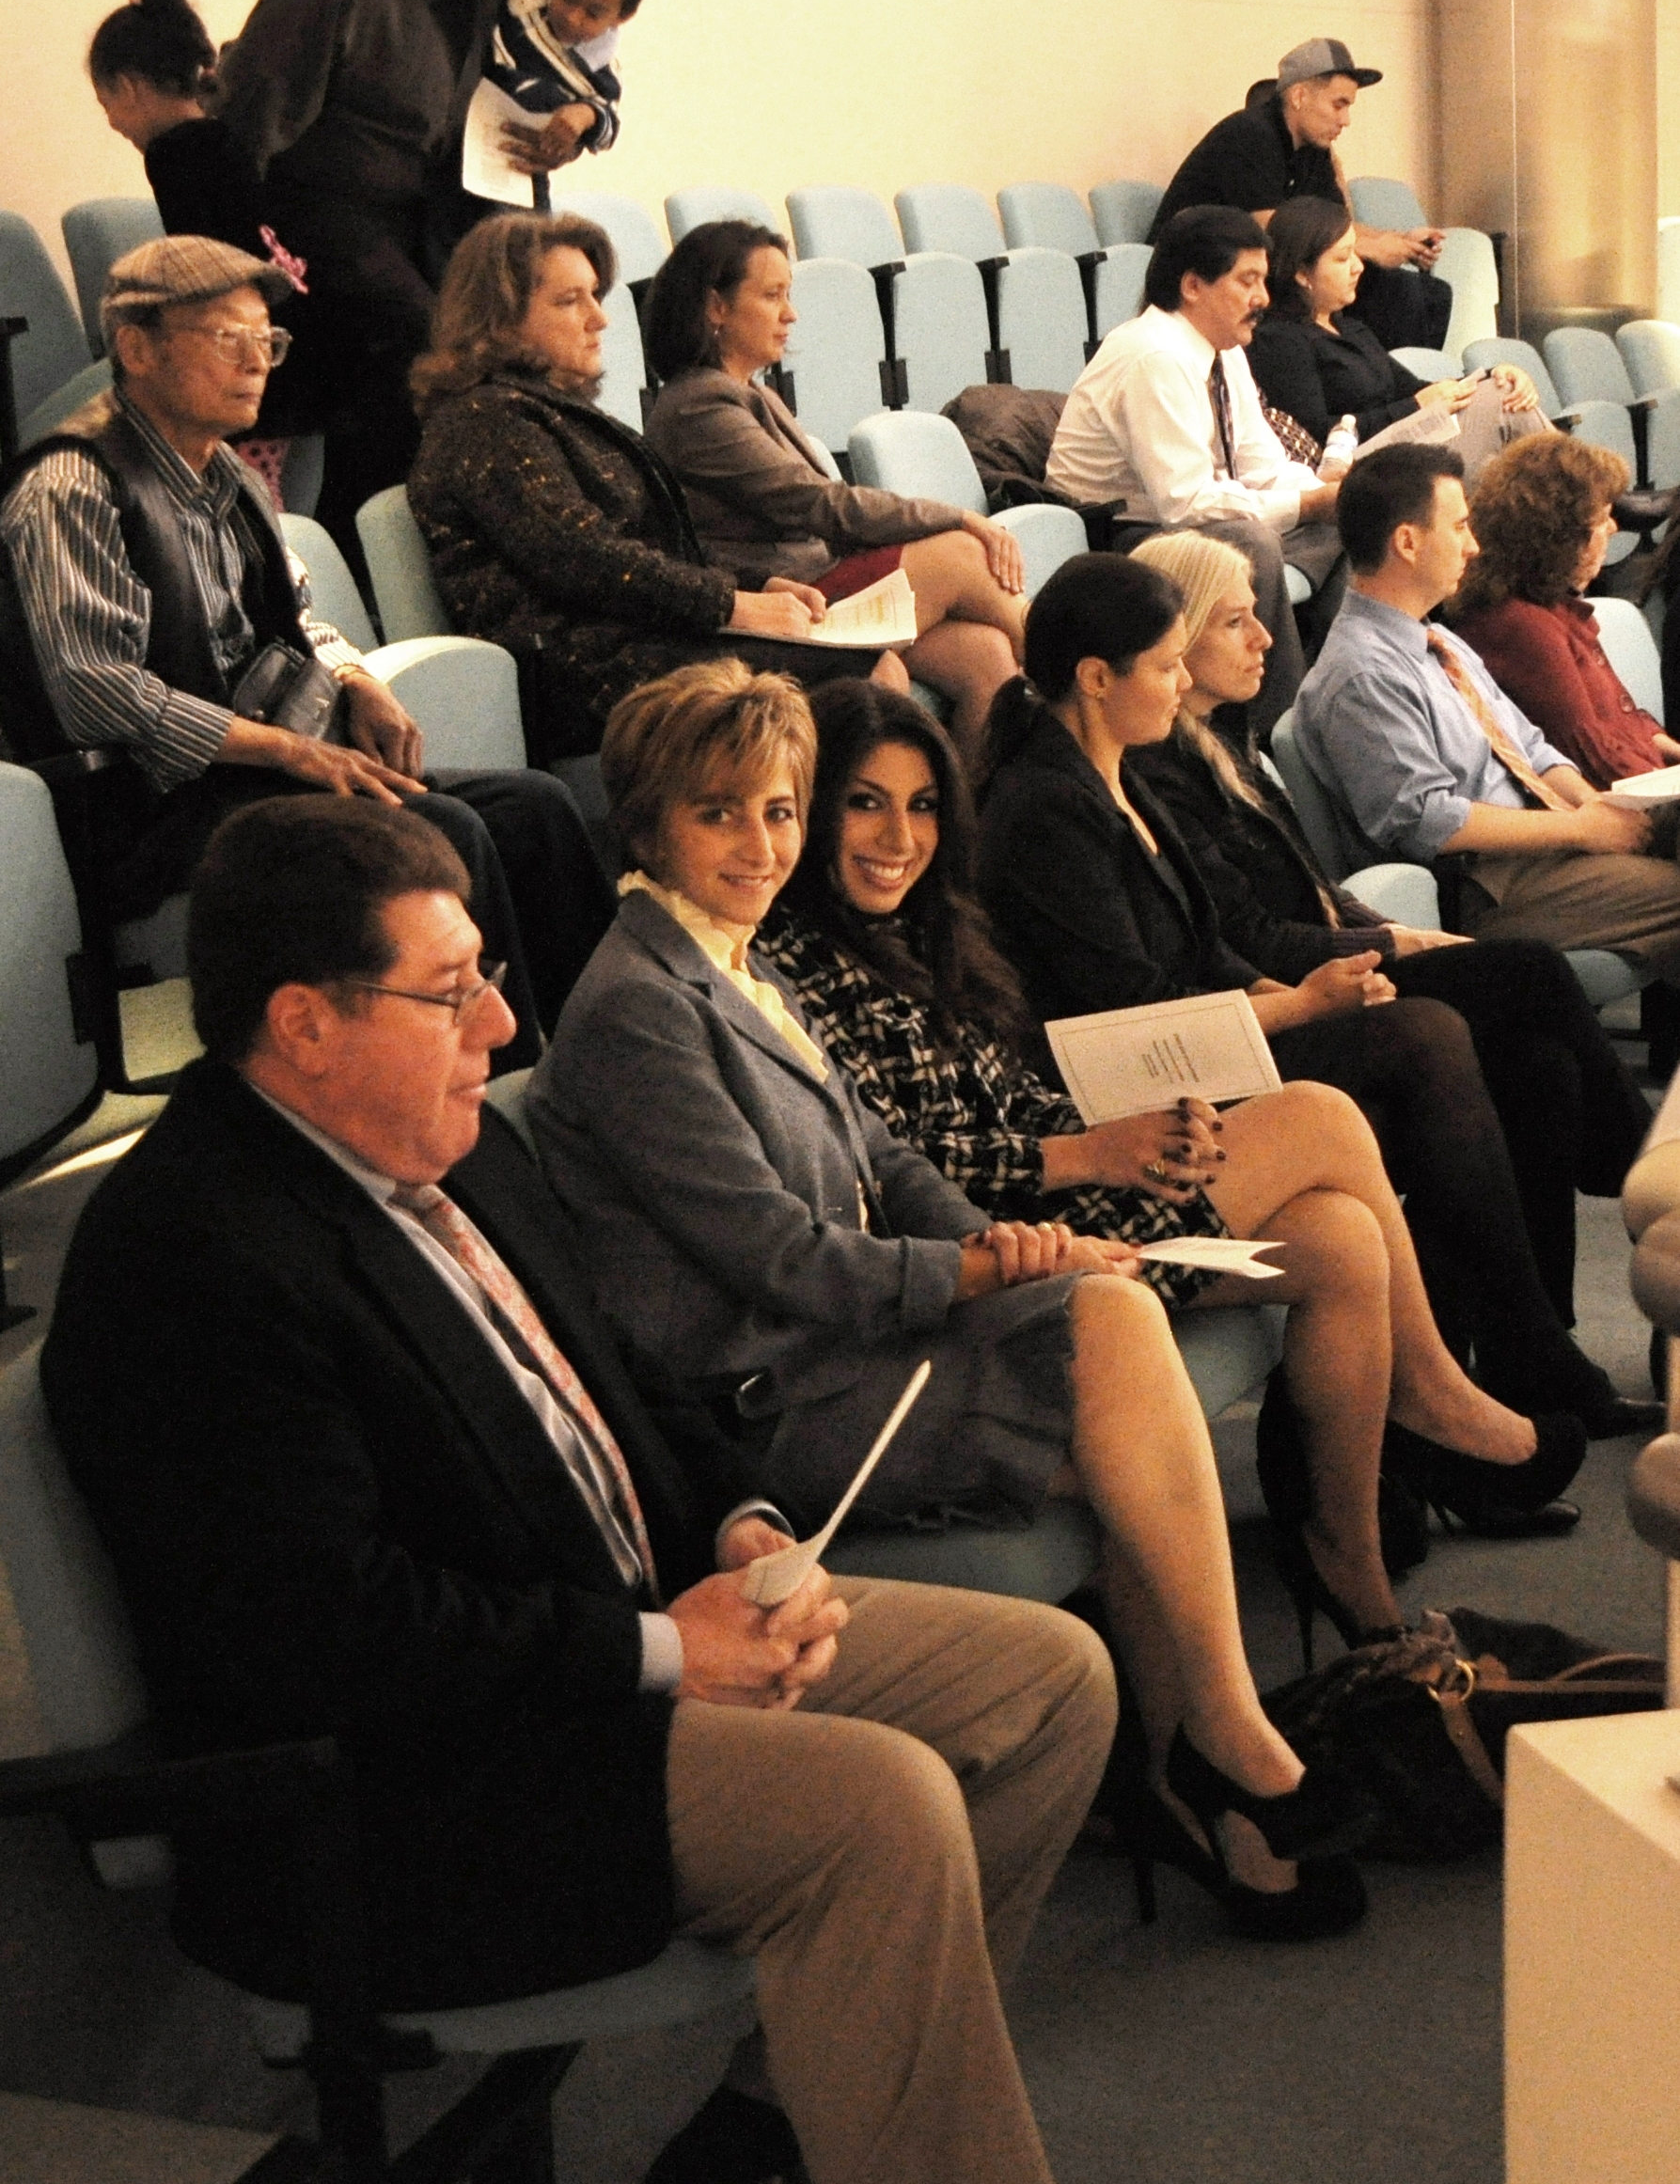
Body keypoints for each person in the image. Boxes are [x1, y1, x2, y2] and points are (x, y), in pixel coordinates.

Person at [40, 793, 1120, 2184]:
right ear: (303, 1023)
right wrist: (663, 1653)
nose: (499, 1025)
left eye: (484, 974)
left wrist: (739, 1527)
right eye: (448, 992)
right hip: (420, 1782)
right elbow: (322, 1630)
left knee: (1051, 1684)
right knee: (882, 1808)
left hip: (612, 1641)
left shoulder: (459, 1143)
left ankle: (784, 2117)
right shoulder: (189, 1256)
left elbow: (628, 1376)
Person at [529, 656, 1558, 1930]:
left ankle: (1193, 1769)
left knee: (1129, 1379)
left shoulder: (731, 960)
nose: (760, 843)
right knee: (1121, 1347)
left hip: (855, 1336)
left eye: (777, 810)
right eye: (720, 813)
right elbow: (783, 1261)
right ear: (646, 822)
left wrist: (1007, 1246)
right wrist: (991, 1264)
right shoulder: (640, 1006)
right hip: (770, 1395)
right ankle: (1224, 1741)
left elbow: (888, 1165)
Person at [0, 235, 608, 1063]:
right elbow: (97, 690)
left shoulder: (229, 476)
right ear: (137, 349)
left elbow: (299, 617)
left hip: (257, 780)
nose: (258, 362)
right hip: (148, 813)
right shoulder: (73, 485)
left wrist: (358, 680)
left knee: (533, 808)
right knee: (440, 833)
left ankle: (601, 1064)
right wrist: (286, 750)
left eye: (268, 339)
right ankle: (483, 1088)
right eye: (230, 338)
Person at [1124, 527, 1651, 1416]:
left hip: (1325, 963)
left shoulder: (1223, 740)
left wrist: (1395, 932)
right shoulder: (1158, 769)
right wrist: (1396, 948)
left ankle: (1537, 1350)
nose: (1264, 636)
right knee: (1526, 975)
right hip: (1283, 999)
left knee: (1539, 1068)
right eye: (1234, 622)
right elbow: (1248, 935)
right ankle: (1639, 1176)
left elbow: (1313, 889)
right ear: (1171, 640)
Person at [406, 211, 904, 762]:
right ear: (499, 319)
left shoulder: (546, 410)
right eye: (570, 301)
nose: (599, 318)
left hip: (640, 640)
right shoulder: (486, 420)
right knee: (866, 682)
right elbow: (585, 559)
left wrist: (758, 585)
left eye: (595, 296)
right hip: (584, 675)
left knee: (878, 667)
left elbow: (652, 546)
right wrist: (734, 606)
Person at [215, 0, 551, 544]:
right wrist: (243, 272)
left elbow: (569, 79)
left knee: (528, 324)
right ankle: (359, 560)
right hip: (318, 219)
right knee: (429, 347)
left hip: (425, 219)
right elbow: (243, 125)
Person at [1293, 444, 1680, 990]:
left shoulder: (1437, 639)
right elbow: (1425, 820)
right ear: (1408, 543)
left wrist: (1590, 806)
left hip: (1543, 848)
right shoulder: (1363, 672)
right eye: (1459, 527)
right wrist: (1578, 828)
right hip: (1487, 886)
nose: (1473, 546)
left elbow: (1532, 748)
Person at [643, 223, 1028, 757]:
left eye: (789, 295)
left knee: (986, 657)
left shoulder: (748, 392)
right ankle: (1079, 686)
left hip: (821, 582)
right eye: (772, 295)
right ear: (716, 308)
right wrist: (960, 516)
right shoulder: (697, 405)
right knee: (963, 552)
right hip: (784, 599)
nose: (790, 314)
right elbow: (818, 504)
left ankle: (977, 804)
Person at [1044, 204, 1344, 737]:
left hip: (1188, 517)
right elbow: (1183, 504)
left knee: (1352, 522)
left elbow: (1263, 465)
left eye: (1263, 280)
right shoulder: (1154, 356)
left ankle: (1342, 695)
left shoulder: (1224, 350)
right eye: (1247, 281)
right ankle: (1280, 732)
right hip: (1119, 535)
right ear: (1192, 286)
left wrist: (1330, 494)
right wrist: (1307, 505)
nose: (1263, 298)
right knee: (1250, 543)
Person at [86, 0, 327, 486]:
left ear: (130, 86)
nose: (111, 122)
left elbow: (207, 272)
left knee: (242, 496)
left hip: (250, 366)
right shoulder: (228, 138)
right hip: (299, 354)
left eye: (106, 102)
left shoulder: (173, 153)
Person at [1149, 39, 1452, 353]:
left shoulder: (1312, 150)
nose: (1346, 120)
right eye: (1338, 105)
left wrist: (1399, 242)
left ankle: (1396, 377)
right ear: (1299, 96)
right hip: (1204, 272)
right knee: (1389, 291)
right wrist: (1372, 250)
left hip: (1263, 268)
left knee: (1426, 293)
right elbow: (1274, 231)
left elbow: (1334, 227)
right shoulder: (1250, 134)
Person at [1448, 431, 1679, 788]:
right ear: (1562, 536)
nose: (1613, 528)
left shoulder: (1551, 609)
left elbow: (1628, 724)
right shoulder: (1523, 627)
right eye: (1602, 518)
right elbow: (1593, 763)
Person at [1248, 197, 1547, 472]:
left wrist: (1494, 374)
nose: (1358, 267)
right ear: (1302, 274)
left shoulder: (1351, 329)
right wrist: (1415, 407)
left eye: (1355, 253)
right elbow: (1314, 432)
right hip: (1364, 469)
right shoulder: (1280, 339)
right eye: (1342, 259)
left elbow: (1416, 388)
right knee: (1505, 408)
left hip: (1405, 448)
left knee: (1502, 392)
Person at [487, 0, 657, 179]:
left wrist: (585, 115)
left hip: (513, 170)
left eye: (593, 14)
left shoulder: (600, 73)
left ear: (622, 17)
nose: (572, 17)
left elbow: (609, 125)